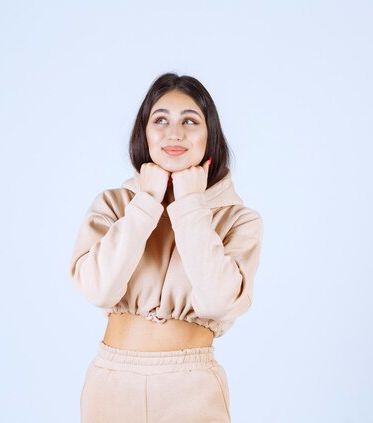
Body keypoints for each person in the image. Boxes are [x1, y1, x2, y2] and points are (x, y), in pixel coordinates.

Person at [70, 72, 264, 422]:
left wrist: (191, 205)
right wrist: (145, 202)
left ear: (210, 136)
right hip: (111, 385)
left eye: (190, 120)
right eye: (161, 120)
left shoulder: (239, 219)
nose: (174, 132)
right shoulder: (114, 205)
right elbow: (99, 290)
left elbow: (219, 302)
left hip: (190, 390)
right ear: (144, 133)